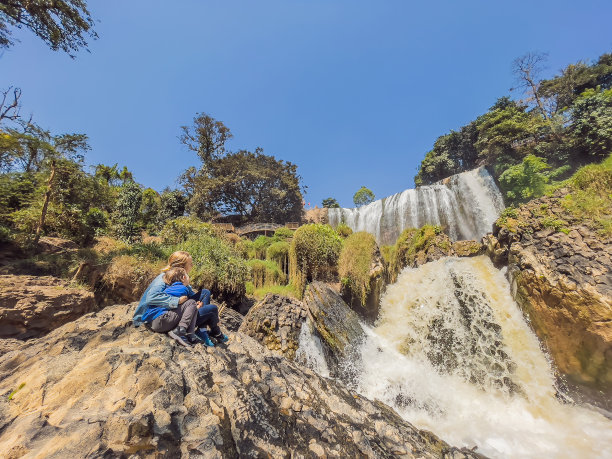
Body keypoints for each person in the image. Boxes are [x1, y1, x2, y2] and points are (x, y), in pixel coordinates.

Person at [133, 251, 227, 347]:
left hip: (172, 312)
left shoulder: (180, 280)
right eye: (190, 264)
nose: (192, 266)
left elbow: (189, 296)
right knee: (211, 309)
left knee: (205, 293)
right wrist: (177, 301)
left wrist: (196, 305)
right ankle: (197, 330)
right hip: (155, 317)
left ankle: (201, 330)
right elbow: (151, 298)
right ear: (182, 266)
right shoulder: (163, 278)